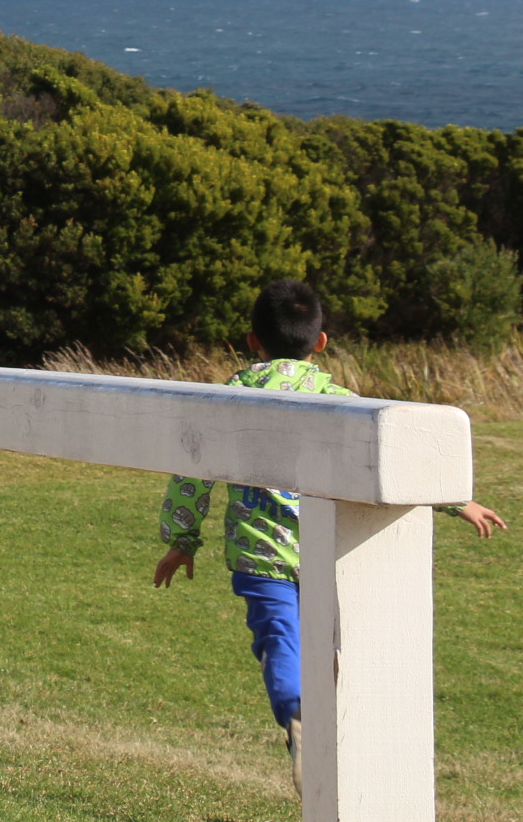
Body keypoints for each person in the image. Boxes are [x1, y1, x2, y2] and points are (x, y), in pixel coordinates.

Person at [153, 279, 504, 789]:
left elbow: (190, 472)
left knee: (281, 644)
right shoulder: (338, 399)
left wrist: (181, 539)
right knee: (337, 651)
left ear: (251, 342)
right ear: (320, 343)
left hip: (260, 558)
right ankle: (345, 743)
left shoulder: (226, 398)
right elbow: (389, 455)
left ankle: (300, 719)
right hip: (328, 554)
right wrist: (456, 500)